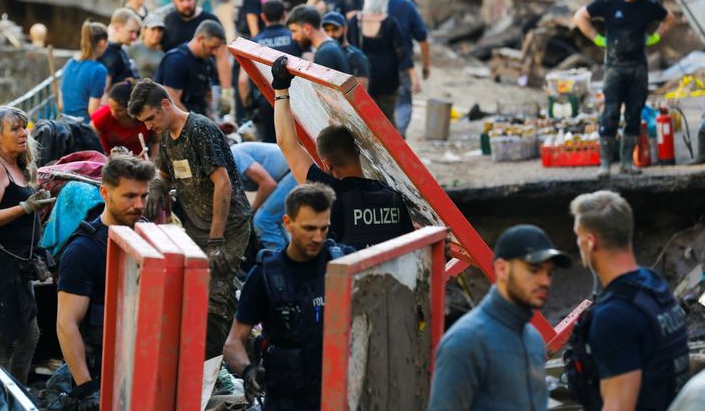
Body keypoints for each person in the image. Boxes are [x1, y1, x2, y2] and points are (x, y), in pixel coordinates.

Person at [128, 80, 252, 360]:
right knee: (199, 294)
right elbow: (164, 172)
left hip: (228, 228)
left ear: (165, 105)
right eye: (143, 122)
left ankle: (215, 365)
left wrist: (217, 240)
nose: (148, 127)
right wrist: (158, 185)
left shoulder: (199, 129)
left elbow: (223, 185)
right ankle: (241, 349)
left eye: (150, 119)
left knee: (213, 302)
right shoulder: (169, 136)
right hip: (198, 228)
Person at [223, 183, 354, 409]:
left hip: (339, 395)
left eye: (324, 228)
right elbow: (233, 342)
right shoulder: (265, 275)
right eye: (309, 228)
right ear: (287, 223)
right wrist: (248, 371)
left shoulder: (345, 263)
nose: (317, 237)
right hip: (286, 400)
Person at [271, 56, 413, 249]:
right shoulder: (394, 197)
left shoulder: (329, 194)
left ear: (327, 164)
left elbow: (287, 143)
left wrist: (281, 88)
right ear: (358, 151)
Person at [566, 190, 689, 410]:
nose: (578, 243)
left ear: (591, 241)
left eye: (578, 235)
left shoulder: (613, 316)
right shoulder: (654, 286)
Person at [428, 225, 571, 411]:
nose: (545, 281)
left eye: (549, 272)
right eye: (534, 270)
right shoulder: (466, 341)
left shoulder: (533, 339)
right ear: (502, 269)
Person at [56, 152, 155, 410]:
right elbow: (67, 325)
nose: (139, 205)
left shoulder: (148, 235)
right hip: (102, 372)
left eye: (143, 196)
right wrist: (87, 388)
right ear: (105, 193)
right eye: (129, 196)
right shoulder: (82, 251)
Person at [0, 106, 56, 383]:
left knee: (10, 338)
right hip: (0, 265)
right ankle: (10, 394)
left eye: (24, 127)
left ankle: (3, 395)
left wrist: (36, 201)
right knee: (20, 336)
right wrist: (24, 207)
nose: (23, 133)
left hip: (17, 264)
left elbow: (22, 207)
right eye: (15, 129)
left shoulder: (19, 164)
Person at [573, 0, 675, 178]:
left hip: (638, 66)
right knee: (610, 112)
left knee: (634, 113)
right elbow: (580, 16)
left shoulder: (647, 4)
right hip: (614, 67)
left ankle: (627, 162)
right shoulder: (608, 1)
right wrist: (597, 38)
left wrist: (655, 38)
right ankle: (605, 164)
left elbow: (670, 18)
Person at [157, 0, 235, 114]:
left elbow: (222, 57)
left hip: (205, 83)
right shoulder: (169, 20)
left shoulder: (210, 21)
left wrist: (226, 93)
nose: (186, 4)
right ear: (174, 1)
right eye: (181, 0)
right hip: (176, 81)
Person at [346, 0, 412, 122]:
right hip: (387, 79)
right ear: (385, 0)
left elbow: (348, 49)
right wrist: (413, 77)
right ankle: (392, 144)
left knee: (364, 119)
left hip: (361, 77)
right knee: (387, 119)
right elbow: (402, 53)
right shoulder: (390, 23)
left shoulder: (354, 21)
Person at [241, 0, 301, 143]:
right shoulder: (294, 38)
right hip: (295, 100)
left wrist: (248, 107)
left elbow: (242, 81)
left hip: (266, 100)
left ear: (262, 17)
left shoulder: (254, 43)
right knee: (297, 144)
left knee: (271, 144)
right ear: (284, 15)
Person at [382, 0, 430, 138]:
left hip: (377, 65)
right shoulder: (407, 7)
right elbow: (423, 39)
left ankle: (385, 137)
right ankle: (399, 135)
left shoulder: (374, 7)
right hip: (402, 63)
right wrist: (426, 66)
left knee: (380, 101)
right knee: (403, 101)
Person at [231, 142, 296, 250]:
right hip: (286, 173)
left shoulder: (235, 155)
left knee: (263, 220)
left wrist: (251, 213)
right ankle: (288, 259)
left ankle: (279, 264)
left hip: (293, 169)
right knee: (273, 221)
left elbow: (268, 185)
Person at [153, 19, 225, 117]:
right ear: (200, 39)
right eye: (211, 47)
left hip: (197, 118)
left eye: (217, 48)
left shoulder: (208, 62)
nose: (214, 52)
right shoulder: (176, 60)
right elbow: (172, 101)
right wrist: (194, 125)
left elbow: (207, 98)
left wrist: (214, 123)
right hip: (176, 122)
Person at [60, 21, 109, 122]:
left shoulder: (69, 63)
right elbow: (93, 111)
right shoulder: (99, 70)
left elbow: (60, 104)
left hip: (64, 126)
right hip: (83, 128)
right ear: (102, 43)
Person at [90, 81, 150, 157]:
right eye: (110, 108)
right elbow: (91, 134)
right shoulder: (104, 115)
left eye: (119, 110)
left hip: (139, 160)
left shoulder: (145, 117)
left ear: (131, 108)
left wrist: (152, 160)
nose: (113, 113)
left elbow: (156, 142)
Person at [285, 5, 349, 74]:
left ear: (307, 29)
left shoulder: (325, 53)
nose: (293, 37)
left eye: (294, 31)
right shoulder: (332, 45)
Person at [321, 11, 370, 89]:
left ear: (345, 29)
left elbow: (361, 92)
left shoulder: (356, 56)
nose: (331, 34)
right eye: (326, 30)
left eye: (335, 29)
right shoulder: (323, 53)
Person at [99, 8, 140, 91]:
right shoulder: (109, 54)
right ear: (117, 28)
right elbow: (103, 91)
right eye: (131, 32)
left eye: (136, 32)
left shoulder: (120, 49)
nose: (135, 37)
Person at [128, 13, 165, 80]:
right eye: (153, 29)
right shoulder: (133, 48)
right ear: (143, 30)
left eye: (160, 30)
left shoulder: (162, 55)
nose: (156, 34)